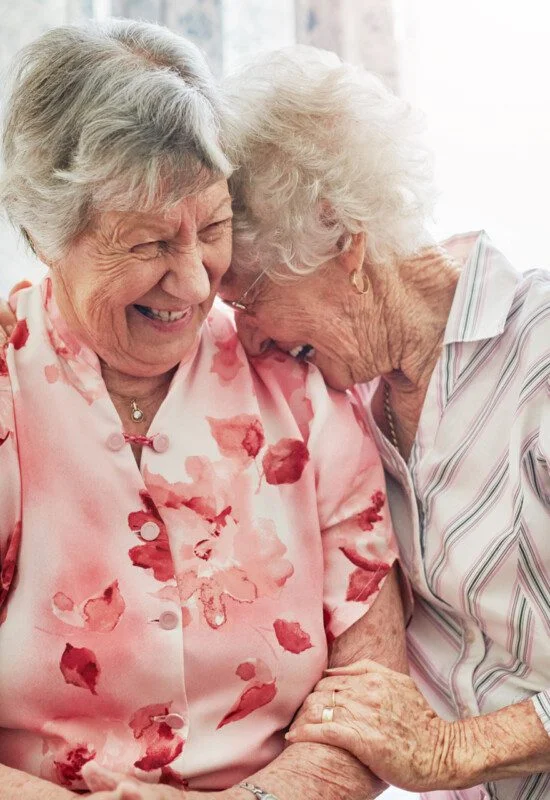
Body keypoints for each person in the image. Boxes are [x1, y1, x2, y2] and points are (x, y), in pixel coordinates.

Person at [0, 23, 407, 800]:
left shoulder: (296, 387)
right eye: (151, 244)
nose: (193, 283)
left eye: (213, 229)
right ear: (46, 237)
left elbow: (372, 692)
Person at [216, 46, 550, 800]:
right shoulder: (338, 399)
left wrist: (455, 750)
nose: (248, 336)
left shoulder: (538, 352)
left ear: (344, 244)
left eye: (250, 296)